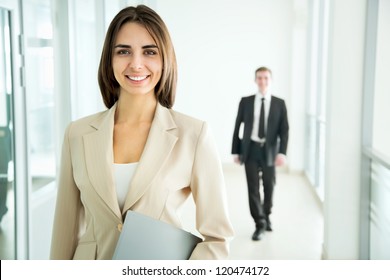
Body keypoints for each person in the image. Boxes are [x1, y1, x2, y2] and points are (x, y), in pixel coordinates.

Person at [50, 5, 233, 260]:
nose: (136, 64)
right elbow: (64, 234)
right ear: (109, 60)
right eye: (124, 51)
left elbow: (217, 240)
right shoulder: (76, 134)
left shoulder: (194, 135)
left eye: (149, 52)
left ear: (164, 59)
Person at [232, 66, 289, 241]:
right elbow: (238, 127)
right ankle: (259, 223)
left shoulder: (279, 103)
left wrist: (282, 153)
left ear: (270, 80)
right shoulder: (246, 101)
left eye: (265, 78)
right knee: (253, 188)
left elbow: (284, 130)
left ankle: (266, 214)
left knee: (270, 185)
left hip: (270, 150)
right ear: (255, 80)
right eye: (259, 78)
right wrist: (236, 150)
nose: (262, 81)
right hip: (250, 150)